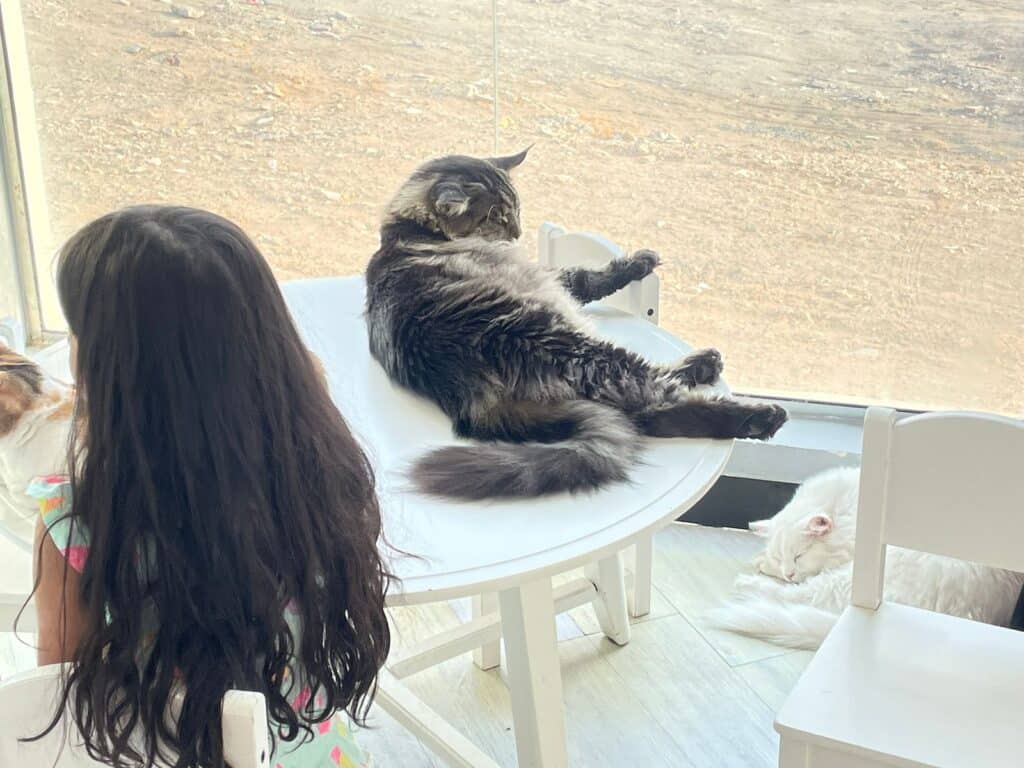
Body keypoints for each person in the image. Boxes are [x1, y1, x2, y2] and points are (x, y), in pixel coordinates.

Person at [28, 205, 390, 768]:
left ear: (115, 371)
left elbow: (56, 698)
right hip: (314, 753)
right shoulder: (319, 464)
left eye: (77, 334)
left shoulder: (76, 519)